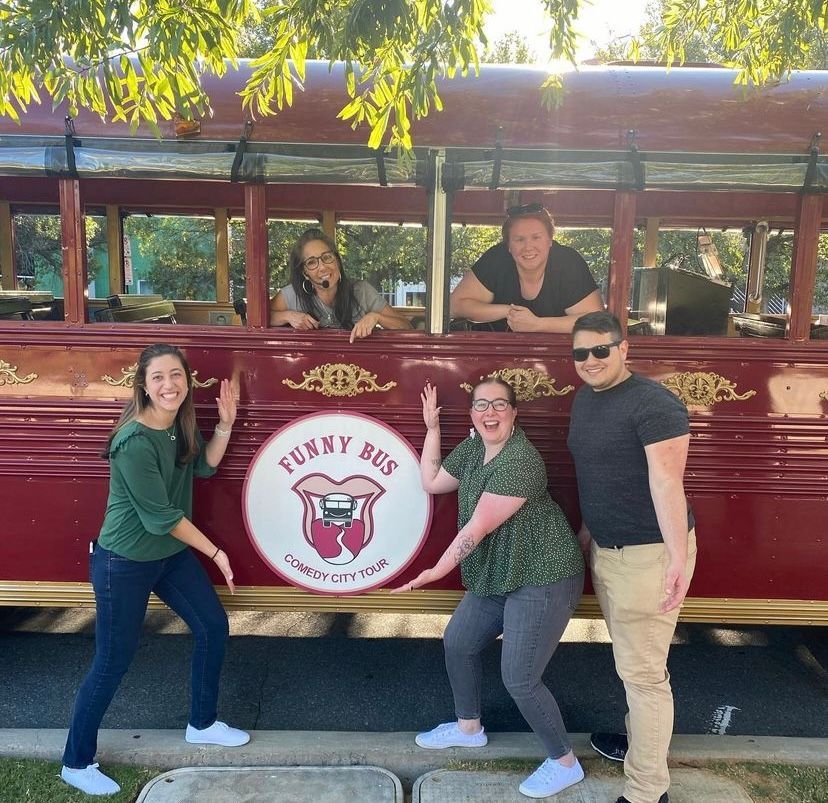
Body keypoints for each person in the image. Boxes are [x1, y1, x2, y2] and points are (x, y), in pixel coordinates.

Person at [60, 343, 248, 796]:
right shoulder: (133, 441)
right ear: (143, 385)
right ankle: (75, 761)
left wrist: (225, 423)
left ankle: (202, 724)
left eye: (176, 375)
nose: (170, 385)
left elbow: (204, 467)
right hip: (123, 562)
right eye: (159, 377)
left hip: (166, 555)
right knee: (112, 661)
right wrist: (217, 553)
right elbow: (161, 516)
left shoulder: (178, 426)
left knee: (212, 627)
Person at [393, 379, 585, 799]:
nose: (489, 412)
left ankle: (564, 762)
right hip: (500, 571)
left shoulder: (521, 461)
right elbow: (432, 482)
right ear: (472, 413)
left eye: (500, 404)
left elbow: (475, 530)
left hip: (542, 574)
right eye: (481, 405)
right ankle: (468, 727)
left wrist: (434, 570)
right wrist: (432, 430)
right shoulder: (474, 447)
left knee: (520, 677)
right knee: (459, 642)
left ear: (515, 413)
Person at [566, 311, 697, 803]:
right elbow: (595, 474)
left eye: (602, 349)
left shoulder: (654, 404)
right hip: (608, 548)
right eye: (581, 353)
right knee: (633, 665)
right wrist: (586, 532)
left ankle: (646, 791)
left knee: (643, 676)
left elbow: (667, 484)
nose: (591, 360)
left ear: (624, 349)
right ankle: (643, 748)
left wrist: (676, 561)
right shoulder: (586, 397)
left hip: (647, 555)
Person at [449, 203, 603, 332]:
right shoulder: (497, 259)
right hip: (496, 354)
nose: (528, 247)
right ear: (508, 245)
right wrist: (510, 312)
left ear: (550, 240)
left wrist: (537, 324)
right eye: (519, 239)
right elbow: (455, 306)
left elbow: (595, 322)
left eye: (536, 237)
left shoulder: (568, 263)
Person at [269, 227, 412, 342]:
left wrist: (377, 317)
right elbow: (258, 319)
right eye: (312, 262)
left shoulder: (361, 290)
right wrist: (287, 316)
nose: (323, 267)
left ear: (337, 260)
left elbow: (406, 327)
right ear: (304, 272)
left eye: (327, 257)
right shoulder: (292, 294)